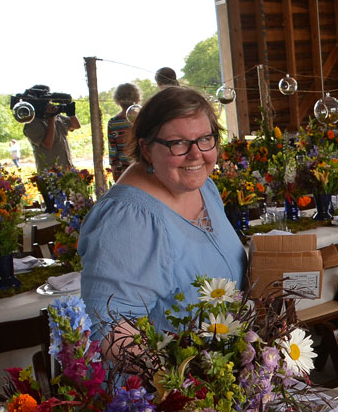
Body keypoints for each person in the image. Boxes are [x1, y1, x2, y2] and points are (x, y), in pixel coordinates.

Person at [78, 86, 246, 340]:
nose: (196, 154)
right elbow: (110, 333)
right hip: (165, 377)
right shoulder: (127, 220)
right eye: (178, 143)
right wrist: (183, 378)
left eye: (205, 138)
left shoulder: (205, 188)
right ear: (146, 149)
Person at [22, 86, 81, 172]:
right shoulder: (32, 124)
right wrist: (51, 118)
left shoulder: (57, 117)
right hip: (50, 175)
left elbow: (76, 126)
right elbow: (47, 145)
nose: (49, 103)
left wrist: (70, 112)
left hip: (66, 170)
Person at [107, 83, 141, 181]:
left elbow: (113, 151)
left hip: (123, 172)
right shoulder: (143, 119)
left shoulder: (113, 123)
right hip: (143, 169)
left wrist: (115, 174)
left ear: (117, 100)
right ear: (137, 98)